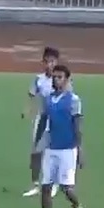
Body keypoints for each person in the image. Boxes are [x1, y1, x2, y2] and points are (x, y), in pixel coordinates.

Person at [30, 64, 85, 208]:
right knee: (46, 187)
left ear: (67, 80)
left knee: (66, 188)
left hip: (68, 150)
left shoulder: (74, 100)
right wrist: (38, 144)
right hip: (51, 148)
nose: (56, 80)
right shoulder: (48, 100)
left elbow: (77, 126)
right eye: (54, 77)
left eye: (60, 77)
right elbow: (44, 122)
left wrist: (79, 150)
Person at [22, 47, 61, 198]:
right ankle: (35, 184)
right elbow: (31, 95)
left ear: (56, 62)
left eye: (52, 61)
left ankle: (54, 183)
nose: (49, 65)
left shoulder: (61, 79)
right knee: (36, 152)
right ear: (43, 63)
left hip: (57, 121)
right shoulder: (39, 79)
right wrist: (27, 110)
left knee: (54, 152)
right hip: (42, 119)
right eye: (47, 62)